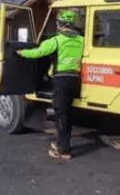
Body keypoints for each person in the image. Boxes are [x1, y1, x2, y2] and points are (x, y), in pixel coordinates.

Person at [17, 9, 84, 160]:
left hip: (62, 80)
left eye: (58, 23)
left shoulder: (56, 41)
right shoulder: (81, 40)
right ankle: (61, 143)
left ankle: (63, 150)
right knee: (67, 113)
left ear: (62, 24)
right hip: (76, 80)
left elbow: (37, 53)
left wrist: (22, 53)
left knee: (61, 115)